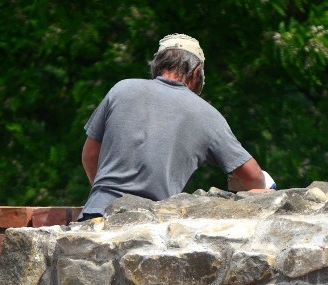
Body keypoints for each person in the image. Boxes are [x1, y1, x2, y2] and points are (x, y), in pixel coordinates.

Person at [78, 33, 275, 221]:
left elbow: (89, 155)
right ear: (197, 72)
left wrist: (105, 200)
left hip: (96, 215)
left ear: (157, 66)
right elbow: (253, 176)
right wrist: (264, 187)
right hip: (148, 226)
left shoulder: (122, 89)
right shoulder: (207, 115)